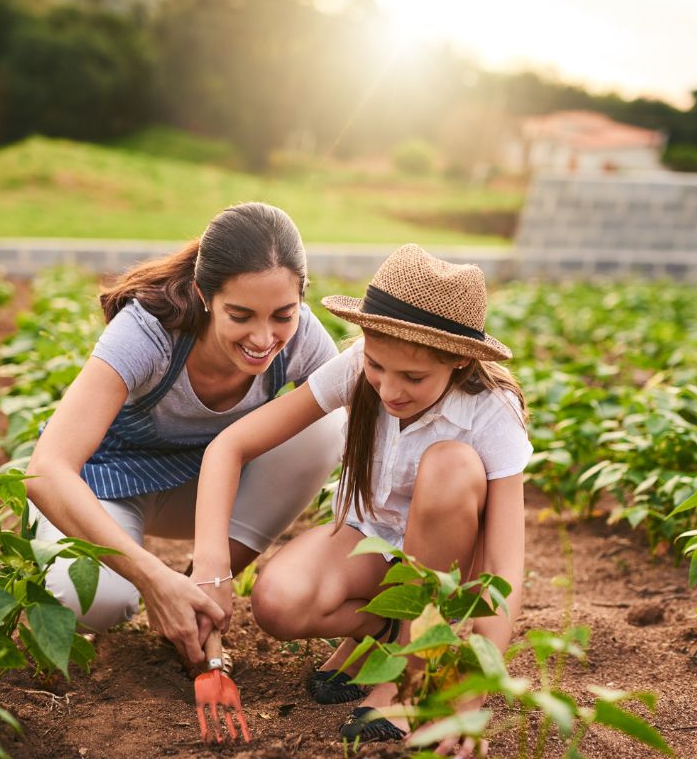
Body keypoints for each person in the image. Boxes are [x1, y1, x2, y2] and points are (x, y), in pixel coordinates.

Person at [192, 243, 531, 755]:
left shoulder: (492, 412)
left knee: (448, 463)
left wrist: (470, 699)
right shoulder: (358, 367)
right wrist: (212, 569)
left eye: (413, 378)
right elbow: (231, 445)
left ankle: (413, 676)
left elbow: (505, 568)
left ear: (460, 360)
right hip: (370, 541)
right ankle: (390, 630)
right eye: (377, 366)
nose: (389, 390)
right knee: (278, 602)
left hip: (447, 571)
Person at [25, 202, 344, 666]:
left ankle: (200, 602)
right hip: (111, 487)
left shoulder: (302, 338)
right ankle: (81, 550)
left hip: (207, 491)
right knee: (92, 601)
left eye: (282, 314)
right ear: (203, 295)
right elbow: (47, 468)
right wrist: (154, 578)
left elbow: (368, 434)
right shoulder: (148, 333)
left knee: (328, 420)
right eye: (240, 316)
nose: (263, 338)